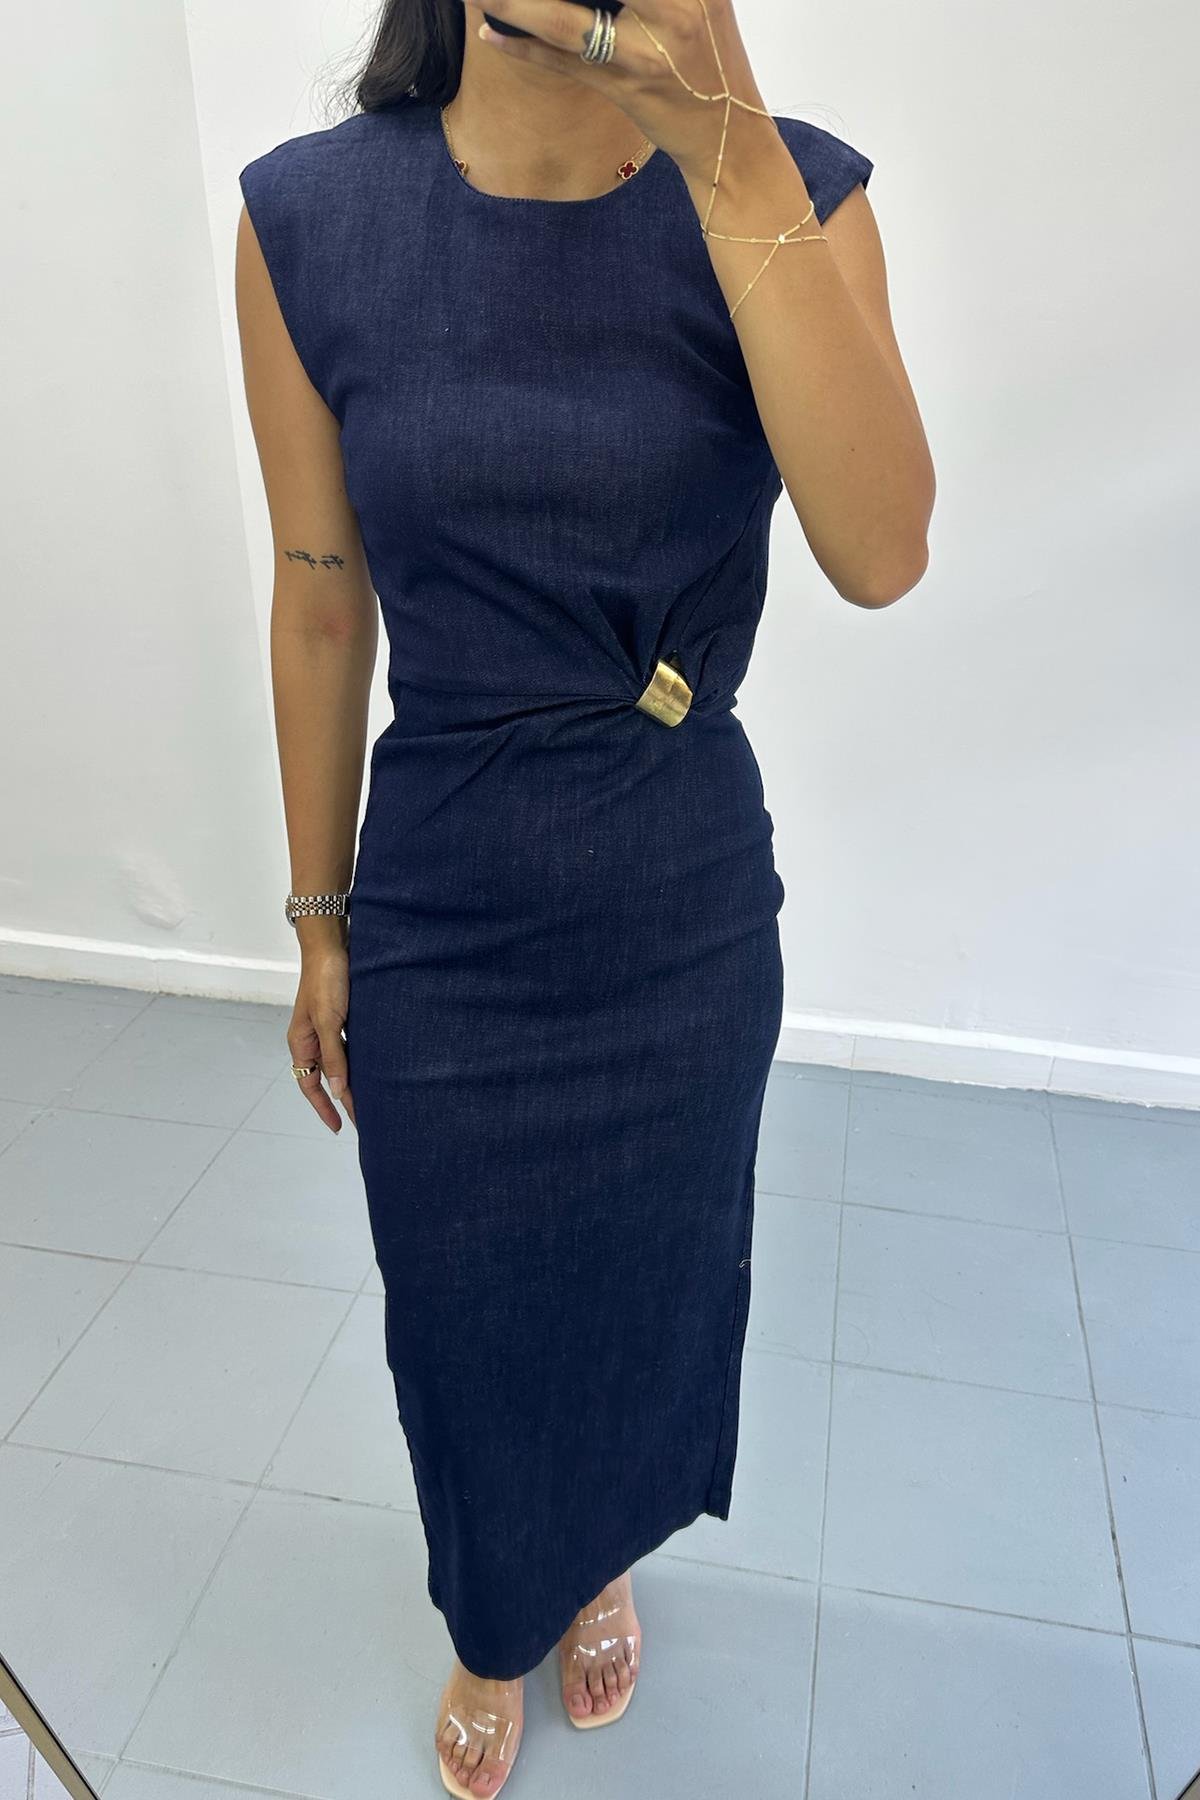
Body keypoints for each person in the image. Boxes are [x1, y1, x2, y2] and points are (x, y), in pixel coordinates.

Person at [234, 1, 933, 1793]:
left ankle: (594, 1552)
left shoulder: (789, 190)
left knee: (646, 1287)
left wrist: (727, 140)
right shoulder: (310, 219)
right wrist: (318, 918)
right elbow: (321, 595)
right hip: (446, 900)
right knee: (458, 1313)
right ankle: (493, 1611)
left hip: (676, 897)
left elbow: (880, 551)